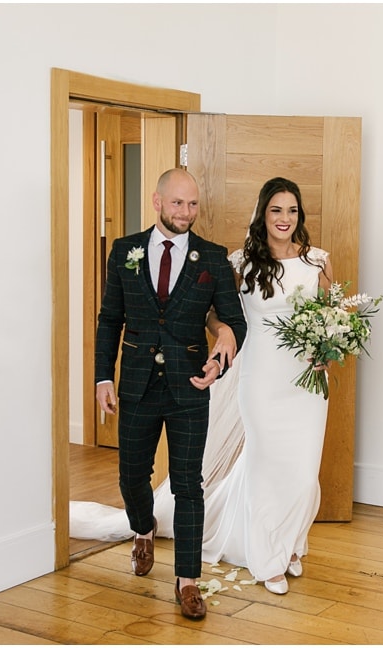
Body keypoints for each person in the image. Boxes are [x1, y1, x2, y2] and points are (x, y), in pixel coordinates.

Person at [94, 168, 247, 620]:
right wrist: (104, 376)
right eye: (178, 203)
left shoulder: (214, 259)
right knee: (130, 478)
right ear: (157, 202)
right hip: (137, 386)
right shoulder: (124, 252)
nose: (187, 213)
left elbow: (234, 323)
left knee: (188, 486)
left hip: (190, 387)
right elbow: (109, 320)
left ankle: (188, 581)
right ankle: (143, 529)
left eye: (193, 204)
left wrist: (219, 360)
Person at [203, 176, 334, 595]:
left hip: (308, 383)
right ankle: (267, 558)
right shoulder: (240, 263)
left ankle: (291, 542)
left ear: (300, 215)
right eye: (276, 209)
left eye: (292, 210)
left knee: (302, 469)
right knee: (266, 465)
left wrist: (327, 349)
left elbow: (334, 315)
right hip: (259, 379)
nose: (285, 218)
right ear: (263, 213)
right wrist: (223, 335)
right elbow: (213, 315)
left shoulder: (317, 262)